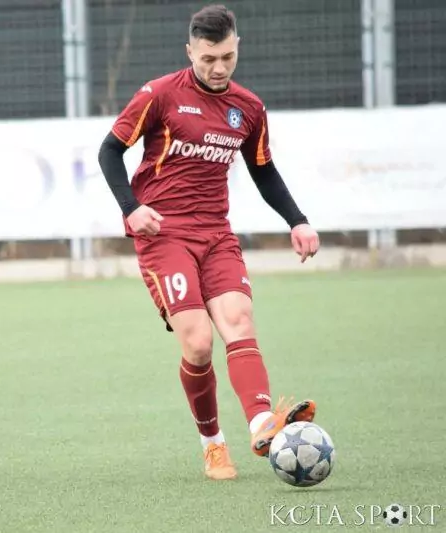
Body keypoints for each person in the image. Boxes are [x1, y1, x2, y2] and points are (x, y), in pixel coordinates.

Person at [97, 4, 321, 481]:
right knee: (198, 343)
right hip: (163, 234)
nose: (219, 68)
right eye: (208, 59)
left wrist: (297, 221)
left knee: (238, 319)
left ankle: (263, 425)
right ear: (190, 52)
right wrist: (131, 208)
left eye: (227, 57)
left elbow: (263, 171)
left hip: (217, 233)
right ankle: (213, 444)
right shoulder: (160, 94)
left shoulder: (249, 108)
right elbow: (110, 151)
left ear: (237, 48)